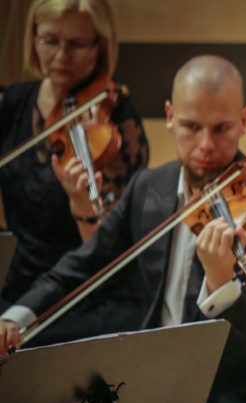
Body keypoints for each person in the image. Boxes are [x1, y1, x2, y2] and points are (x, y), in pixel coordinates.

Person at [0, 55, 246, 403]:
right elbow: (80, 266)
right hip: (159, 400)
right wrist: (16, 315)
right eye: (191, 127)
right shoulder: (149, 189)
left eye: (222, 128)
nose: (206, 146)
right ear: (169, 117)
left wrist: (223, 282)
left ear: (244, 121)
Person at [0, 0, 148, 308]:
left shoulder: (117, 122)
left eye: (77, 44)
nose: (61, 56)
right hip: (18, 282)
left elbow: (110, 248)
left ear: (100, 46)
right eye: (50, 41)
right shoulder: (11, 105)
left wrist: (80, 202)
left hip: (83, 292)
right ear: (33, 38)